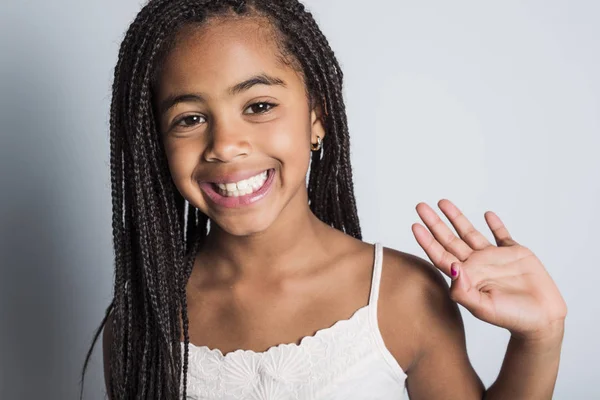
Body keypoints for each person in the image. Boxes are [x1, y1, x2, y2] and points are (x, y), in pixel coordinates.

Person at [80, 0, 567, 398]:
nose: (226, 144)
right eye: (189, 118)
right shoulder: (140, 326)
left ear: (317, 116)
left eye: (259, 106)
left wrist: (538, 338)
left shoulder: (402, 297)